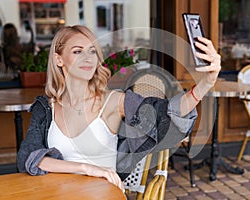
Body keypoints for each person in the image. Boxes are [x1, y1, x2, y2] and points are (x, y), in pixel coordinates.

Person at [16, 25, 221, 191]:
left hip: (103, 195)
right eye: (78, 51)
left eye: (92, 51)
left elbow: (165, 112)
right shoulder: (47, 107)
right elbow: (28, 156)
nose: (88, 58)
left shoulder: (113, 102)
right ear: (58, 59)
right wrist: (87, 168)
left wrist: (206, 82)